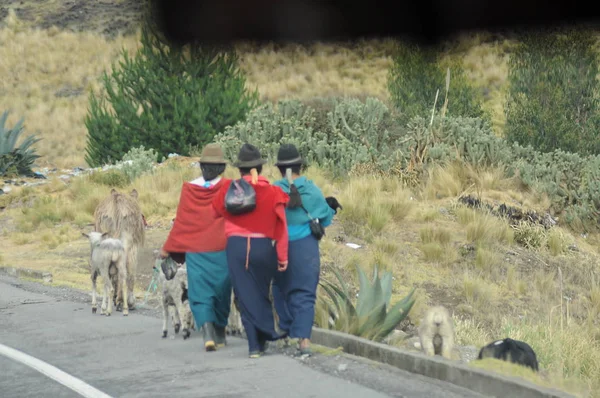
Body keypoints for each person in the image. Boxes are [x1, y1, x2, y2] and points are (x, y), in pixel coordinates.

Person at [212, 143, 290, 358]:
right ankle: (264, 338)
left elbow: (215, 211)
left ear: (240, 169)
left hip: (236, 247)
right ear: (260, 168)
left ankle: (254, 346)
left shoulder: (230, 189)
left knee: (244, 295)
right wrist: (282, 256)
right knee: (261, 293)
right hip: (263, 248)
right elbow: (282, 227)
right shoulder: (275, 192)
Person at [271, 143, 342, 356]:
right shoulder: (312, 190)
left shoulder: (273, 190)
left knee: (280, 289)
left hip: (279, 247)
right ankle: (304, 341)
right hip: (306, 249)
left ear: (280, 169)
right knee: (305, 293)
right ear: (300, 166)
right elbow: (326, 218)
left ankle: (285, 330)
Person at [160, 143, 232, 352]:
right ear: (222, 168)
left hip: (196, 251)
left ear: (201, 166)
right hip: (222, 248)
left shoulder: (190, 189)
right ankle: (219, 331)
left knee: (200, 292)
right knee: (222, 290)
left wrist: (168, 248)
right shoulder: (229, 187)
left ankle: (208, 332)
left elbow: (181, 223)